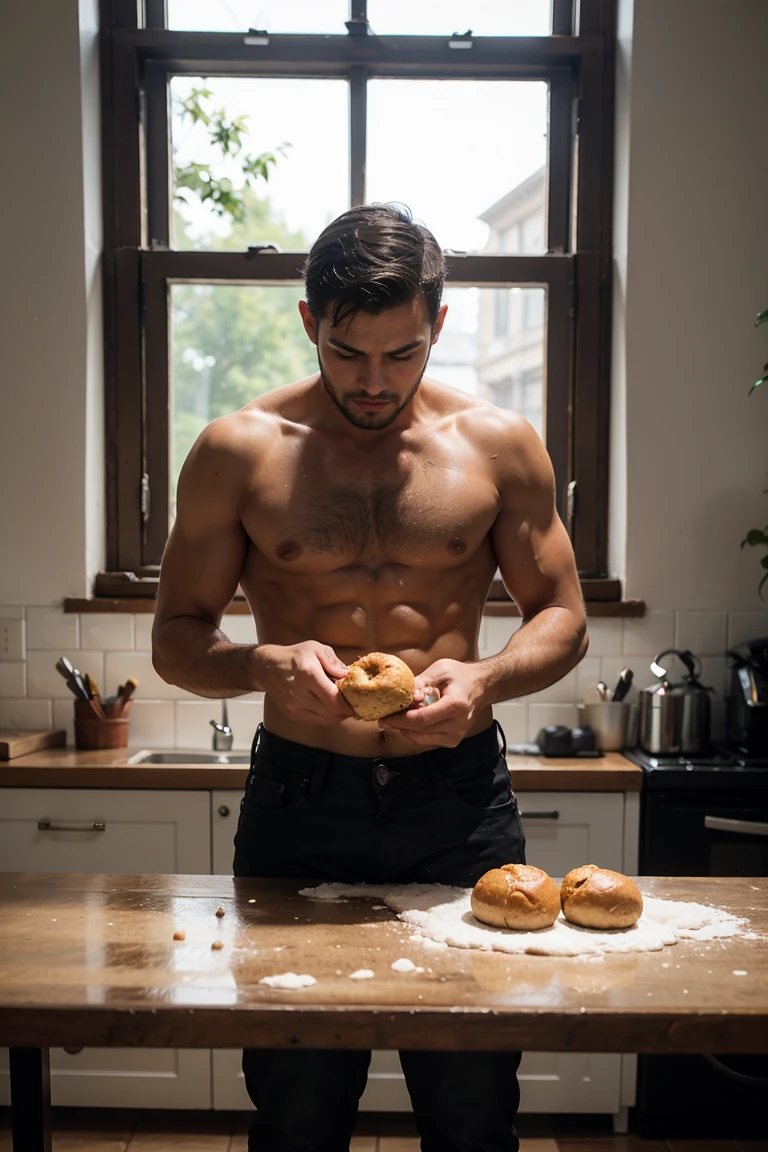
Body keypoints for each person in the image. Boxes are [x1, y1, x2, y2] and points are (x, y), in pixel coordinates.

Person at [152, 203, 588, 1152]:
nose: (376, 381)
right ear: (310, 322)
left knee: (473, 1109)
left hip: (459, 802)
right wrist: (261, 663)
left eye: (403, 352)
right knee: (298, 1107)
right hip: (300, 802)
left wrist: (484, 677)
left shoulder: (498, 445)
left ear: (437, 323)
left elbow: (564, 617)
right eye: (350, 353)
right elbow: (176, 641)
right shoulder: (239, 450)